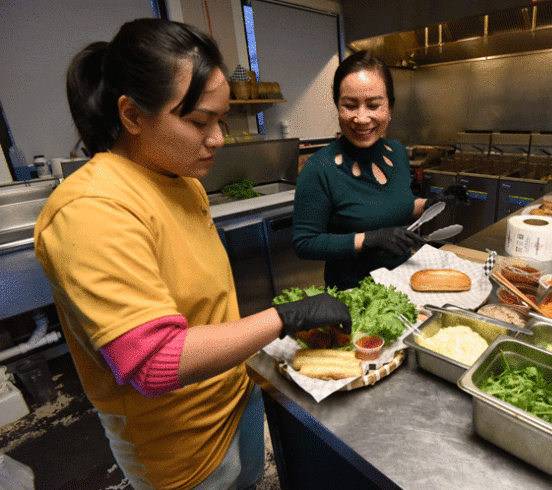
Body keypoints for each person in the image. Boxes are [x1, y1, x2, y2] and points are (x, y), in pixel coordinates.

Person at [33, 18, 351, 490]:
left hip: (234, 397)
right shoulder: (90, 210)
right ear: (133, 115)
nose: (218, 138)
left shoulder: (182, 182)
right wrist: (284, 317)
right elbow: (154, 361)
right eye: (199, 122)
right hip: (177, 445)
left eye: (220, 120)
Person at [292, 50, 467, 290]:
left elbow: (397, 204)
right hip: (354, 297)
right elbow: (305, 243)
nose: (362, 118)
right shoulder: (319, 168)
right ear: (337, 106)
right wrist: (368, 240)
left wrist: (431, 203)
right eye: (350, 106)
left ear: (390, 108)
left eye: (374, 105)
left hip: (406, 285)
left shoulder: (396, 152)